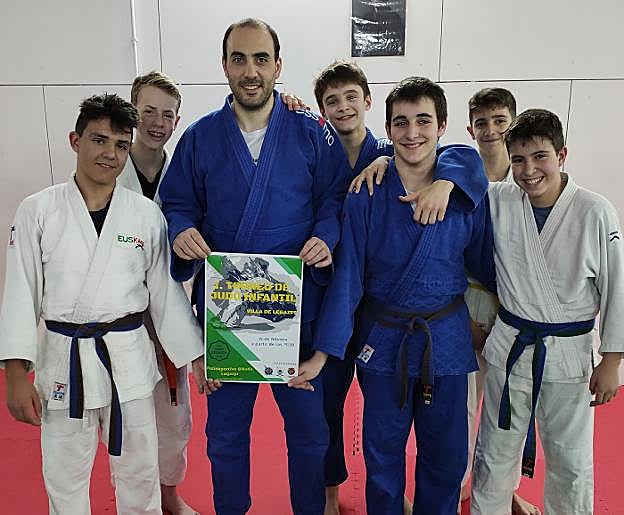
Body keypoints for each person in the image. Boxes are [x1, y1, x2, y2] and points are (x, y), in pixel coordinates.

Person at [158, 18, 352, 515]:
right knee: (225, 436)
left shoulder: (312, 132)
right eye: (239, 59)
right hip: (226, 313)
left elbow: (334, 198)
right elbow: (178, 201)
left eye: (261, 59)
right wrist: (181, 229)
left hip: (296, 311)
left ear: (278, 66)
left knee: (309, 433)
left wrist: (325, 236)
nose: (251, 71)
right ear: (224, 65)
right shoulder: (199, 137)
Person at [0, 93, 213, 514]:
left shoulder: (145, 215)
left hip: (128, 360)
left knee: (139, 471)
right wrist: (16, 373)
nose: (110, 154)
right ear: (75, 141)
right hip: (64, 358)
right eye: (99, 140)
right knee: (64, 474)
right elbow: (21, 292)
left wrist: (197, 355)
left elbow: (165, 296)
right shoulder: (38, 210)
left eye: (120, 144)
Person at [314, 76, 495, 515]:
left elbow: (487, 264)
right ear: (388, 128)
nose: (412, 132)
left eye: (423, 121)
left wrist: (508, 319)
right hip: (384, 340)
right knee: (381, 456)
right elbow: (348, 280)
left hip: (445, 339)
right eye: (401, 122)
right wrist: (324, 353)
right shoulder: (365, 193)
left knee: (446, 457)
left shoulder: (465, 194)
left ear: (442, 126)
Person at [471, 109, 624, 515]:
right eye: (518, 160)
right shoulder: (499, 199)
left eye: (540, 156)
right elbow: (452, 171)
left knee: (570, 461)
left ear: (561, 155)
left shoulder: (595, 211)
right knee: (493, 454)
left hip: (569, 353)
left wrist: (612, 361)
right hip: (510, 346)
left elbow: (617, 287)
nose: (528, 170)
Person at [116, 70, 199, 515]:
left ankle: (168, 497)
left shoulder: (182, 174)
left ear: (177, 121)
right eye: (148, 111)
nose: (157, 122)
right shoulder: (109, 171)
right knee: (127, 422)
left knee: (174, 419)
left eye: (167, 115)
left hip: (170, 316)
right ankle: (135, 501)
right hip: (118, 318)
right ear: (133, 114)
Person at [463, 88, 539, 515]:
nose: (490, 130)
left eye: (499, 121)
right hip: (465, 305)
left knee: (508, 411)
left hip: (516, 311)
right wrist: (463, 316)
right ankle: (457, 484)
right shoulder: (458, 175)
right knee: (460, 407)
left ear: (513, 123)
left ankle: (502, 490)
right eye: (482, 123)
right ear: (469, 128)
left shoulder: (530, 180)